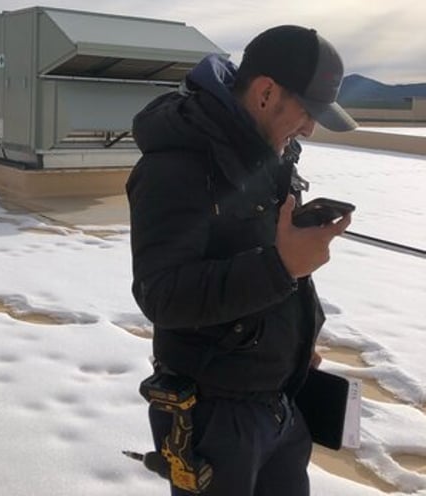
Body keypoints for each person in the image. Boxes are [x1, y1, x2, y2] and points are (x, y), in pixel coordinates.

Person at [126, 25, 357, 496]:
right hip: (213, 419)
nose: (310, 128)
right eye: (307, 112)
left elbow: (256, 255)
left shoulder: (270, 157)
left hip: (280, 404)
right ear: (267, 92)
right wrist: (283, 266)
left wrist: (293, 339)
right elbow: (163, 294)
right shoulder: (176, 165)